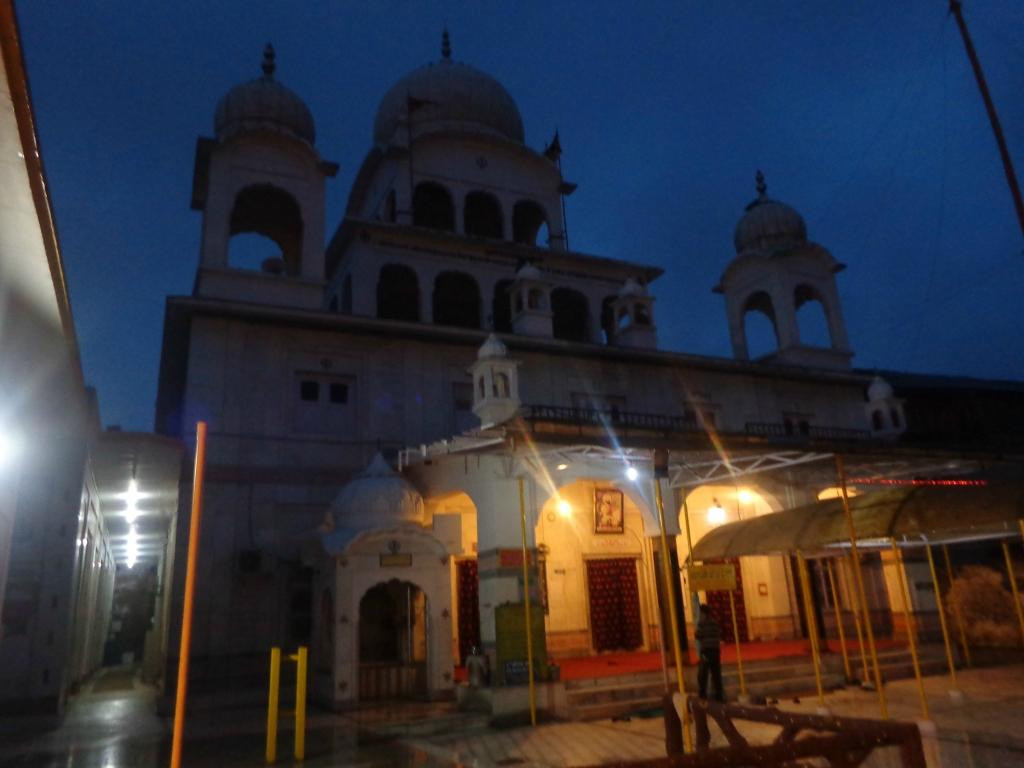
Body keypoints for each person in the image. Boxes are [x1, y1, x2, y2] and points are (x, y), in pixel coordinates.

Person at [695, 603, 724, 702]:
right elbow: (719, 634)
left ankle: (702, 696)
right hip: (716, 651)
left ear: (703, 613)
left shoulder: (701, 624)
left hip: (706, 652)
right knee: (716, 674)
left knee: (703, 674)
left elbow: (698, 636)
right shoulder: (715, 623)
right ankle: (719, 696)